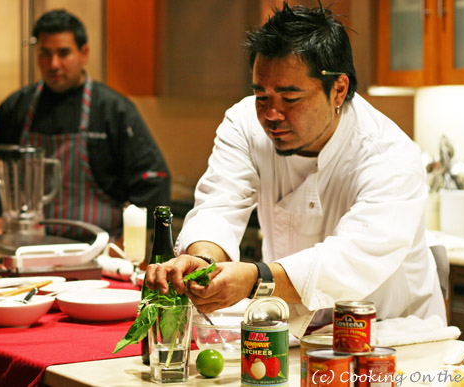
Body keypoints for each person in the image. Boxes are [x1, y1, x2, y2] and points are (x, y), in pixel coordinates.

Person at [145, 3, 446, 338]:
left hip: (390, 337)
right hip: (291, 331)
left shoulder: (388, 156)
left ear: (339, 90)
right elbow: (219, 205)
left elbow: (352, 259)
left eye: (290, 98)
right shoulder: (244, 124)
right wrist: (201, 262)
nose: (272, 114)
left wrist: (256, 280)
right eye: (262, 96)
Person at [0, 9, 170, 240]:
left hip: (100, 250)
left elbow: (153, 180)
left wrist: (128, 243)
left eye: (63, 53)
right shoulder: (16, 107)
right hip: (28, 246)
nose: (53, 64)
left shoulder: (113, 109)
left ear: (84, 53)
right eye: (45, 54)